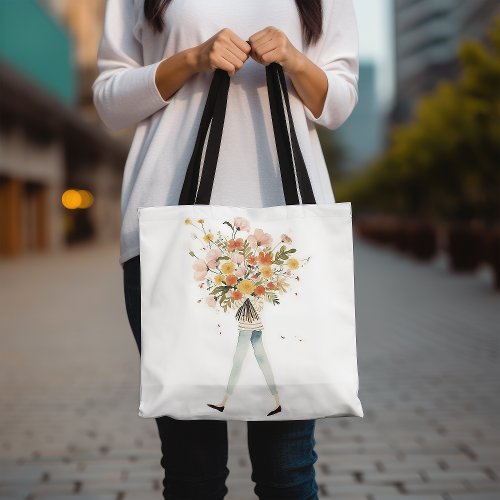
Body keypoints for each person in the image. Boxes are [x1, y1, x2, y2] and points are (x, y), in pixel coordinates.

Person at [92, 0, 359, 498]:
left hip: (288, 249)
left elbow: (339, 104)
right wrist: (191, 60)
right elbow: (109, 101)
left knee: (288, 469)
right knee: (191, 471)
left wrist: (295, 60)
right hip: (169, 234)